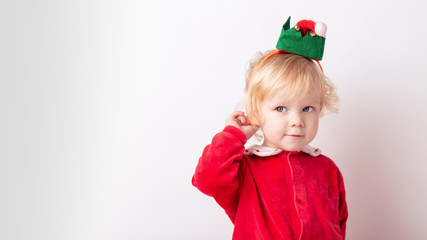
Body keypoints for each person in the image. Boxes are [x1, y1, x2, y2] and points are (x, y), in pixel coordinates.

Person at [192, 17, 348, 240]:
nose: (297, 120)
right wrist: (233, 136)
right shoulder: (244, 170)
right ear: (256, 112)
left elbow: (338, 226)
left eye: (307, 108)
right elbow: (207, 178)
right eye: (281, 108)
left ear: (320, 108)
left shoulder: (328, 170)